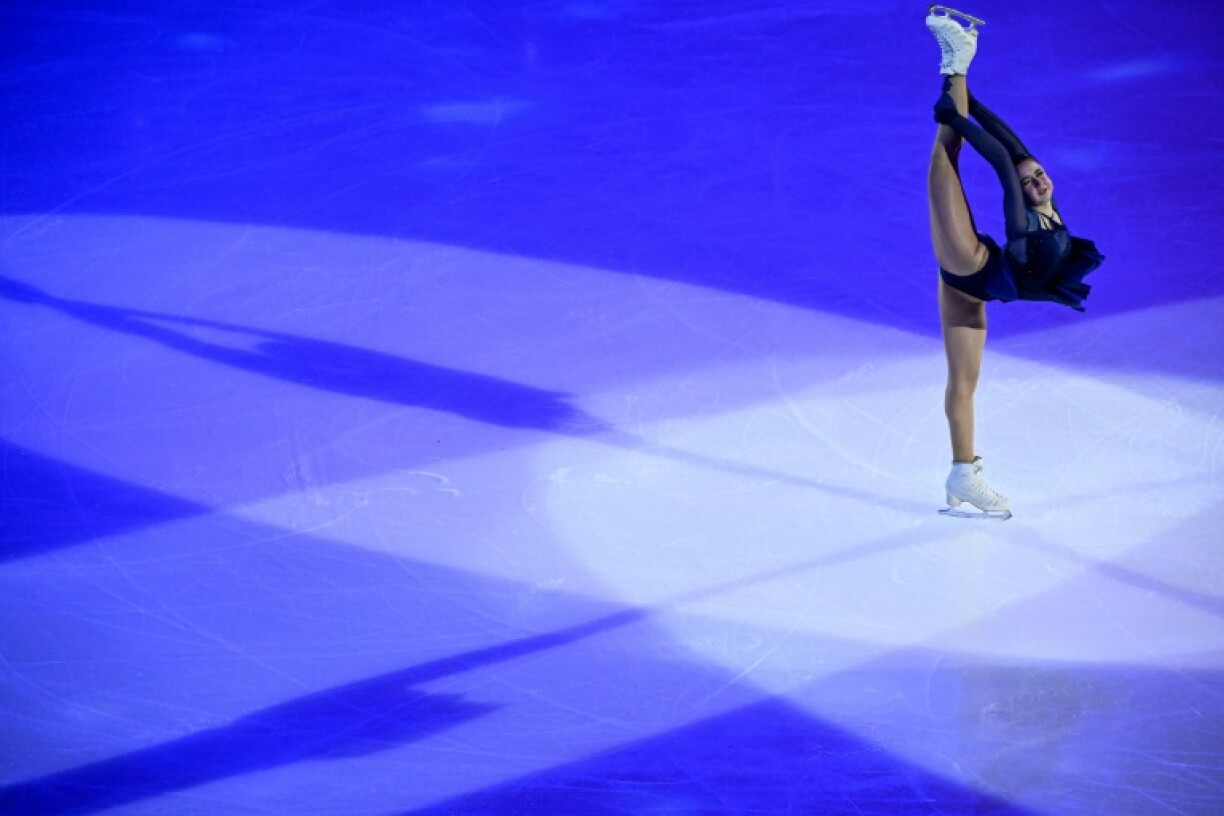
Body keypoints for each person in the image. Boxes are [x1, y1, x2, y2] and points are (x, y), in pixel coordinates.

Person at [924, 6, 1104, 519]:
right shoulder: (1032, 221)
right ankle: (955, 59)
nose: (1037, 181)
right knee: (945, 157)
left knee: (963, 382)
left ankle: (958, 58)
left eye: (1041, 176)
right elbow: (1010, 156)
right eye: (1032, 184)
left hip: (973, 280)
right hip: (973, 273)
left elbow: (1012, 157)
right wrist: (966, 107)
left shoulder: (1041, 216)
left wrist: (963, 110)